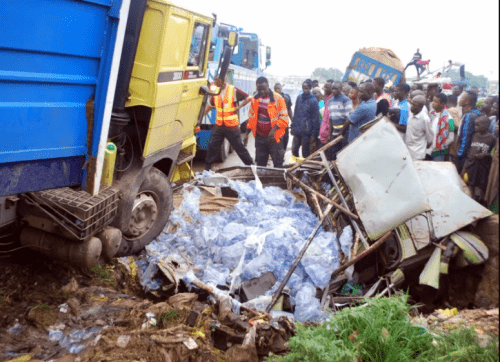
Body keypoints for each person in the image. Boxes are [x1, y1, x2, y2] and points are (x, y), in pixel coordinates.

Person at [204, 79, 254, 171]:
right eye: (215, 82)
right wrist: (202, 115)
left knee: (239, 147)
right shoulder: (216, 91)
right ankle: (207, 168)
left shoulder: (233, 90)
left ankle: (251, 166)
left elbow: (249, 97)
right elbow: (211, 105)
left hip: (232, 127)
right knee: (212, 146)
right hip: (219, 126)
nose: (216, 84)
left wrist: (238, 108)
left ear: (223, 81)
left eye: (217, 82)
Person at [247, 77, 290, 167]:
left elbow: (284, 120)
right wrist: (247, 133)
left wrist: (273, 130)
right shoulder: (255, 99)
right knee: (260, 165)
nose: (262, 92)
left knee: (278, 164)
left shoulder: (278, 98)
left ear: (268, 86)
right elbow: (251, 117)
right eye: (259, 90)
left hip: (274, 138)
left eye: (264, 89)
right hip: (260, 137)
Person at [462, 116, 497, 205]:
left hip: (482, 170)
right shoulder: (474, 135)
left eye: (478, 125)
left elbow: (493, 154)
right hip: (471, 167)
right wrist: (464, 168)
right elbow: (469, 152)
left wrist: (485, 155)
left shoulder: (492, 139)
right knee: (469, 189)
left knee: (478, 193)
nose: (475, 127)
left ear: (486, 125)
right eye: (475, 125)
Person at [319, 81, 353, 159]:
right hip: (335, 131)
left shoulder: (346, 100)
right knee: (334, 152)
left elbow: (349, 117)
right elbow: (331, 118)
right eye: (333, 89)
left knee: (343, 152)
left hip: (345, 132)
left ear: (340, 89)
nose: (334, 91)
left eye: (336, 89)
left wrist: (342, 131)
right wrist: (330, 134)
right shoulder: (330, 101)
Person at [454, 90, 482, 173]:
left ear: (467, 102)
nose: (459, 99)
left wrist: (460, 154)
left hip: (462, 153)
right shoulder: (474, 113)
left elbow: (466, 136)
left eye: (461, 97)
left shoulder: (469, 115)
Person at [291, 80, 319, 158]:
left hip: (307, 132)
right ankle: (294, 166)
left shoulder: (313, 101)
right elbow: (295, 113)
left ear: (310, 88)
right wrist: (292, 126)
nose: (305, 90)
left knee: (305, 152)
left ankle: (304, 168)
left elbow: (315, 118)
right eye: (303, 88)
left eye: (307, 88)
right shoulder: (299, 98)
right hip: (297, 130)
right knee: (294, 150)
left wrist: (314, 133)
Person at [426, 93, 455, 161]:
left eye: (436, 102)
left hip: (439, 151)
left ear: (443, 104)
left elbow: (451, 138)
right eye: (433, 101)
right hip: (428, 149)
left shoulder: (450, 119)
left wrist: (442, 145)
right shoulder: (431, 115)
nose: (433, 103)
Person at [405, 95, 433, 160]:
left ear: (421, 107)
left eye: (415, 105)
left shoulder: (425, 119)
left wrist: (422, 148)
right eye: (412, 104)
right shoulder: (411, 115)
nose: (412, 106)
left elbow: (430, 139)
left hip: (418, 154)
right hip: (408, 151)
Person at [274, 83, 294, 151]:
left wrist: (293, 122)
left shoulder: (286, 98)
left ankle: (283, 152)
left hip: (285, 123)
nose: (277, 90)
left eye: (278, 88)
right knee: (277, 140)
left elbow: (289, 110)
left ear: (281, 89)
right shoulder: (272, 98)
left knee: (285, 139)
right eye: (275, 89)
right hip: (276, 124)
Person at [311, 87, 325, 153]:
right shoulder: (311, 103)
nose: (314, 95)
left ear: (320, 94)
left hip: (321, 127)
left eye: (316, 93)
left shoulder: (322, 103)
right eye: (313, 93)